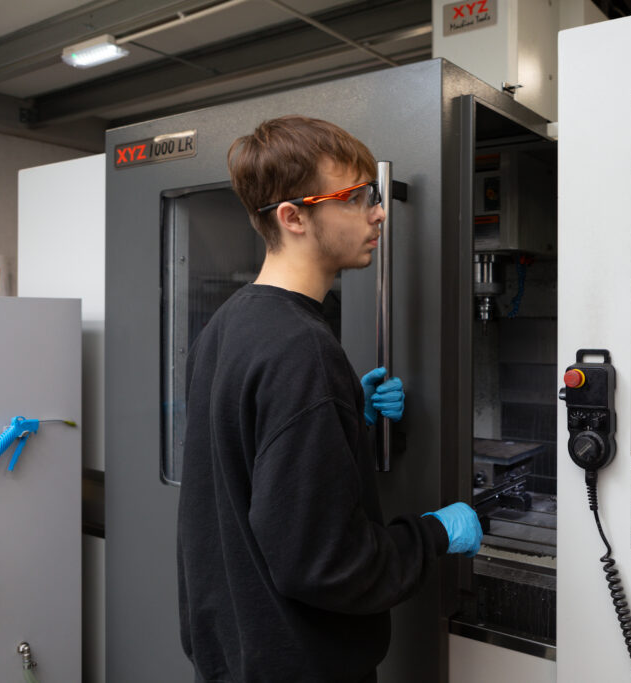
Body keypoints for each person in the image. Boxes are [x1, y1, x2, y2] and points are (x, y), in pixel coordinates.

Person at [177, 115, 483, 683]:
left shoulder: (226, 327)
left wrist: (343, 426)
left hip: (236, 656)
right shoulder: (303, 351)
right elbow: (325, 565)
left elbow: (249, 473)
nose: (379, 212)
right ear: (294, 217)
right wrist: (436, 532)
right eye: (356, 197)